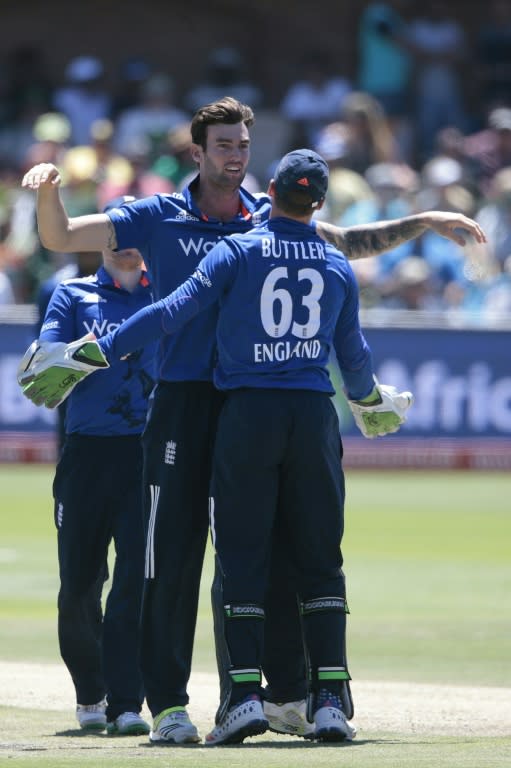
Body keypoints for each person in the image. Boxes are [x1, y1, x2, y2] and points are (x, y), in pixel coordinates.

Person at [19, 97, 486, 745]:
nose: (235, 156)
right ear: (198, 152)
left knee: (260, 553)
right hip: (181, 399)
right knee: (172, 557)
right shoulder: (158, 216)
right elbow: (61, 238)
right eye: (224, 146)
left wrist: (423, 221)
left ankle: (282, 695)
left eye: (242, 145)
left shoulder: (265, 219)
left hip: (248, 402)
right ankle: (171, 706)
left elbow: (347, 243)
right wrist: (48, 191)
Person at [26, 196, 155, 735]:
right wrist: (89, 350)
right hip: (85, 454)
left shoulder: (169, 295)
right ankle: (90, 692)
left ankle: (128, 701)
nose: (123, 239)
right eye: (114, 229)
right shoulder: (72, 294)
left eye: (132, 230)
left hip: (147, 457)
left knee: (135, 581)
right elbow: (44, 362)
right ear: (99, 236)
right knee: (79, 584)